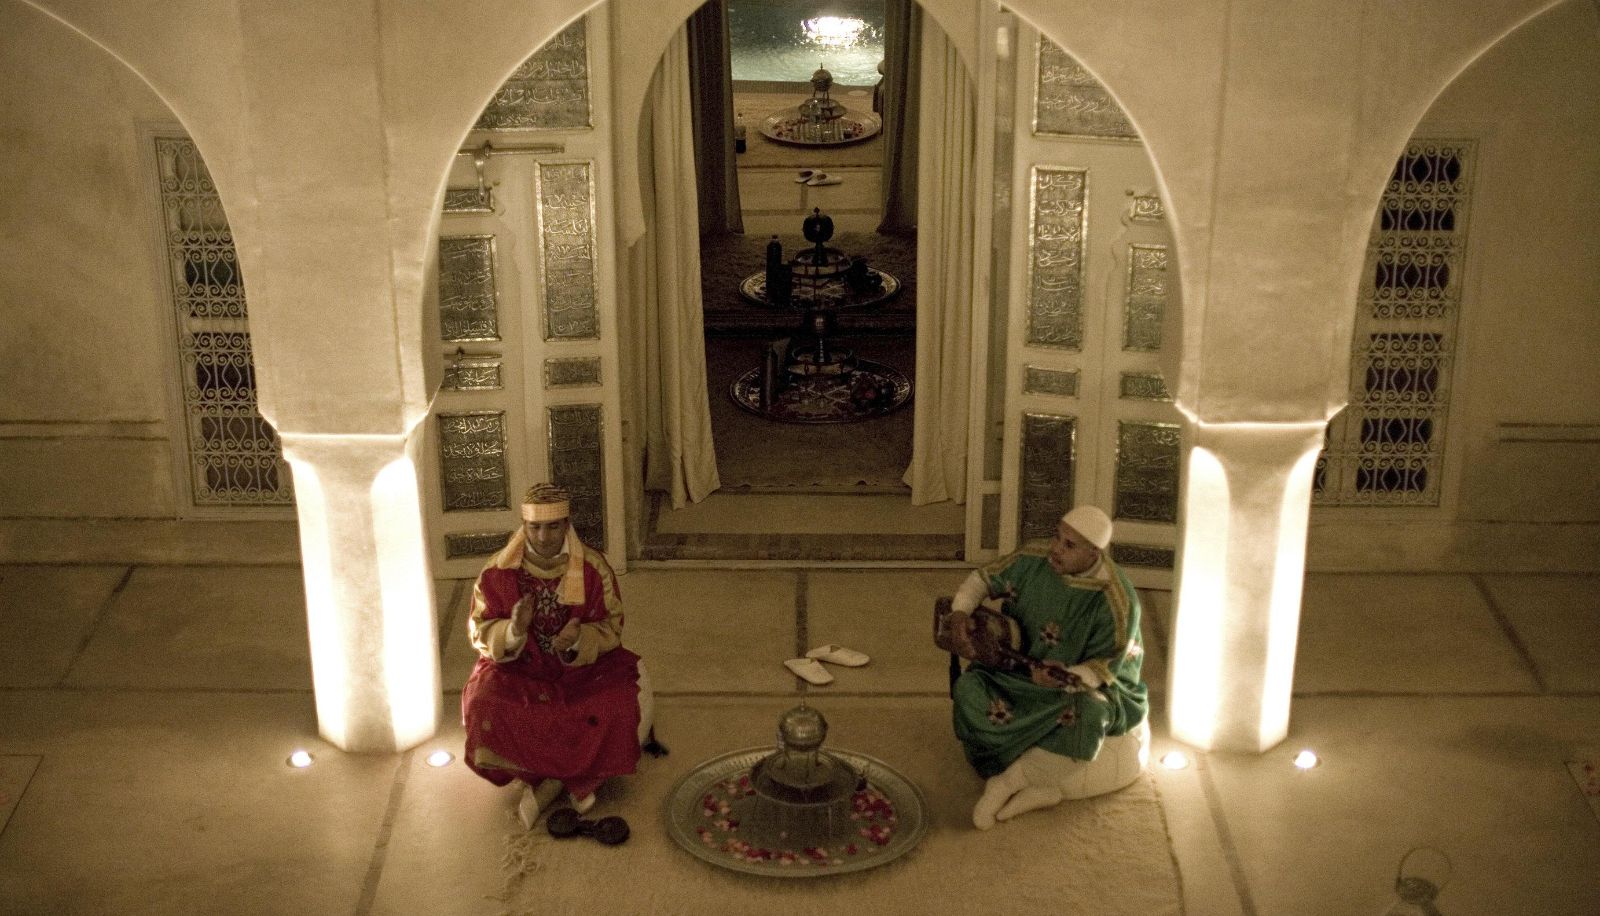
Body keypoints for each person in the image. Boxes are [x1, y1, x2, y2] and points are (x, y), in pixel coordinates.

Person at [947, 505, 1148, 827]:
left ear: (1094, 553)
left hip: (1073, 687)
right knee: (968, 689)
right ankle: (1042, 789)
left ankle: (1006, 784)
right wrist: (960, 612)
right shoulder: (1033, 557)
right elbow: (982, 579)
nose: (1055, 548)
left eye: (1069, 545)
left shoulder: (1117, 599)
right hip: (1014, 671)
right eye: (1057, 537)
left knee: (1089, 716)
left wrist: (1064, 676)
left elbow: (1105, 666)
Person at [461, 484, 642, 828]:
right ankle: (573, 779)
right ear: (524, 526)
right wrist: (513, 630)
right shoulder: (497, 572)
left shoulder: (593, 568)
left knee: (618, 704)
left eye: (553, 527)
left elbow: (612, 626)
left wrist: (578, 640)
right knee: (482, 703)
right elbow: (480, 630)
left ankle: (549, 783)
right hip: (521, 670)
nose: (543, 537)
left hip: (580, 674)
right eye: (535, 527)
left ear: (567, 525)